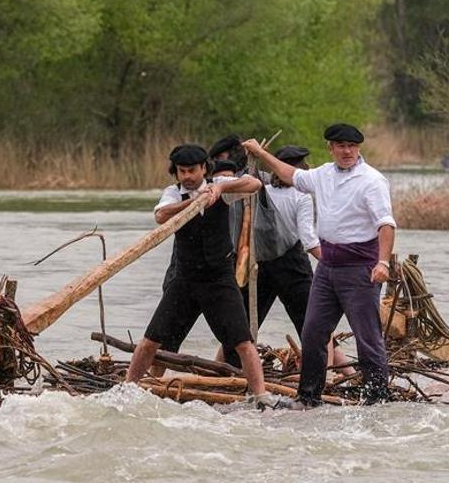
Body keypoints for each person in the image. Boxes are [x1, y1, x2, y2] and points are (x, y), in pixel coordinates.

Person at [243, 123, 396, 407]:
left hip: (360, 267)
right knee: (312, 332)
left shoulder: (371, 180)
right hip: (327, 268)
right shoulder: (322, 174)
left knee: (368, 337)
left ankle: (377, 400)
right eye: (341, 146)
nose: (347, 151)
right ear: (331, 148)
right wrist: (260, 153)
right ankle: (309, 397)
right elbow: (290, 174)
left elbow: (386, 225)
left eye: (351, 146)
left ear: (358, 148)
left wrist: (383, 262)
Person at [125, 144, 273, 405]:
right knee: (151, 340)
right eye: (181, 171)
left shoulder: (219, 185)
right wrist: (193, 201)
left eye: (192, 170)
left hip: (219, 279)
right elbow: (160, 216)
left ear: (204, 168)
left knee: (243, 341)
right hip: (185, 279)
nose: (187, 176)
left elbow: (254, 185)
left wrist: (221, 188)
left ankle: (260, 396)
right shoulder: (173, 193)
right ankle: (128, 389)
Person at [221, 145, 321, 367]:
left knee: (241, 326)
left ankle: (224, 370)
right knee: (312, 324)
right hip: (292, 266)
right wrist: (331, 261)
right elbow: (308, 239)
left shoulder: (260, 189)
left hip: (259, 264)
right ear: (300, 168)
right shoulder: (302, 195)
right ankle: (333, 373)